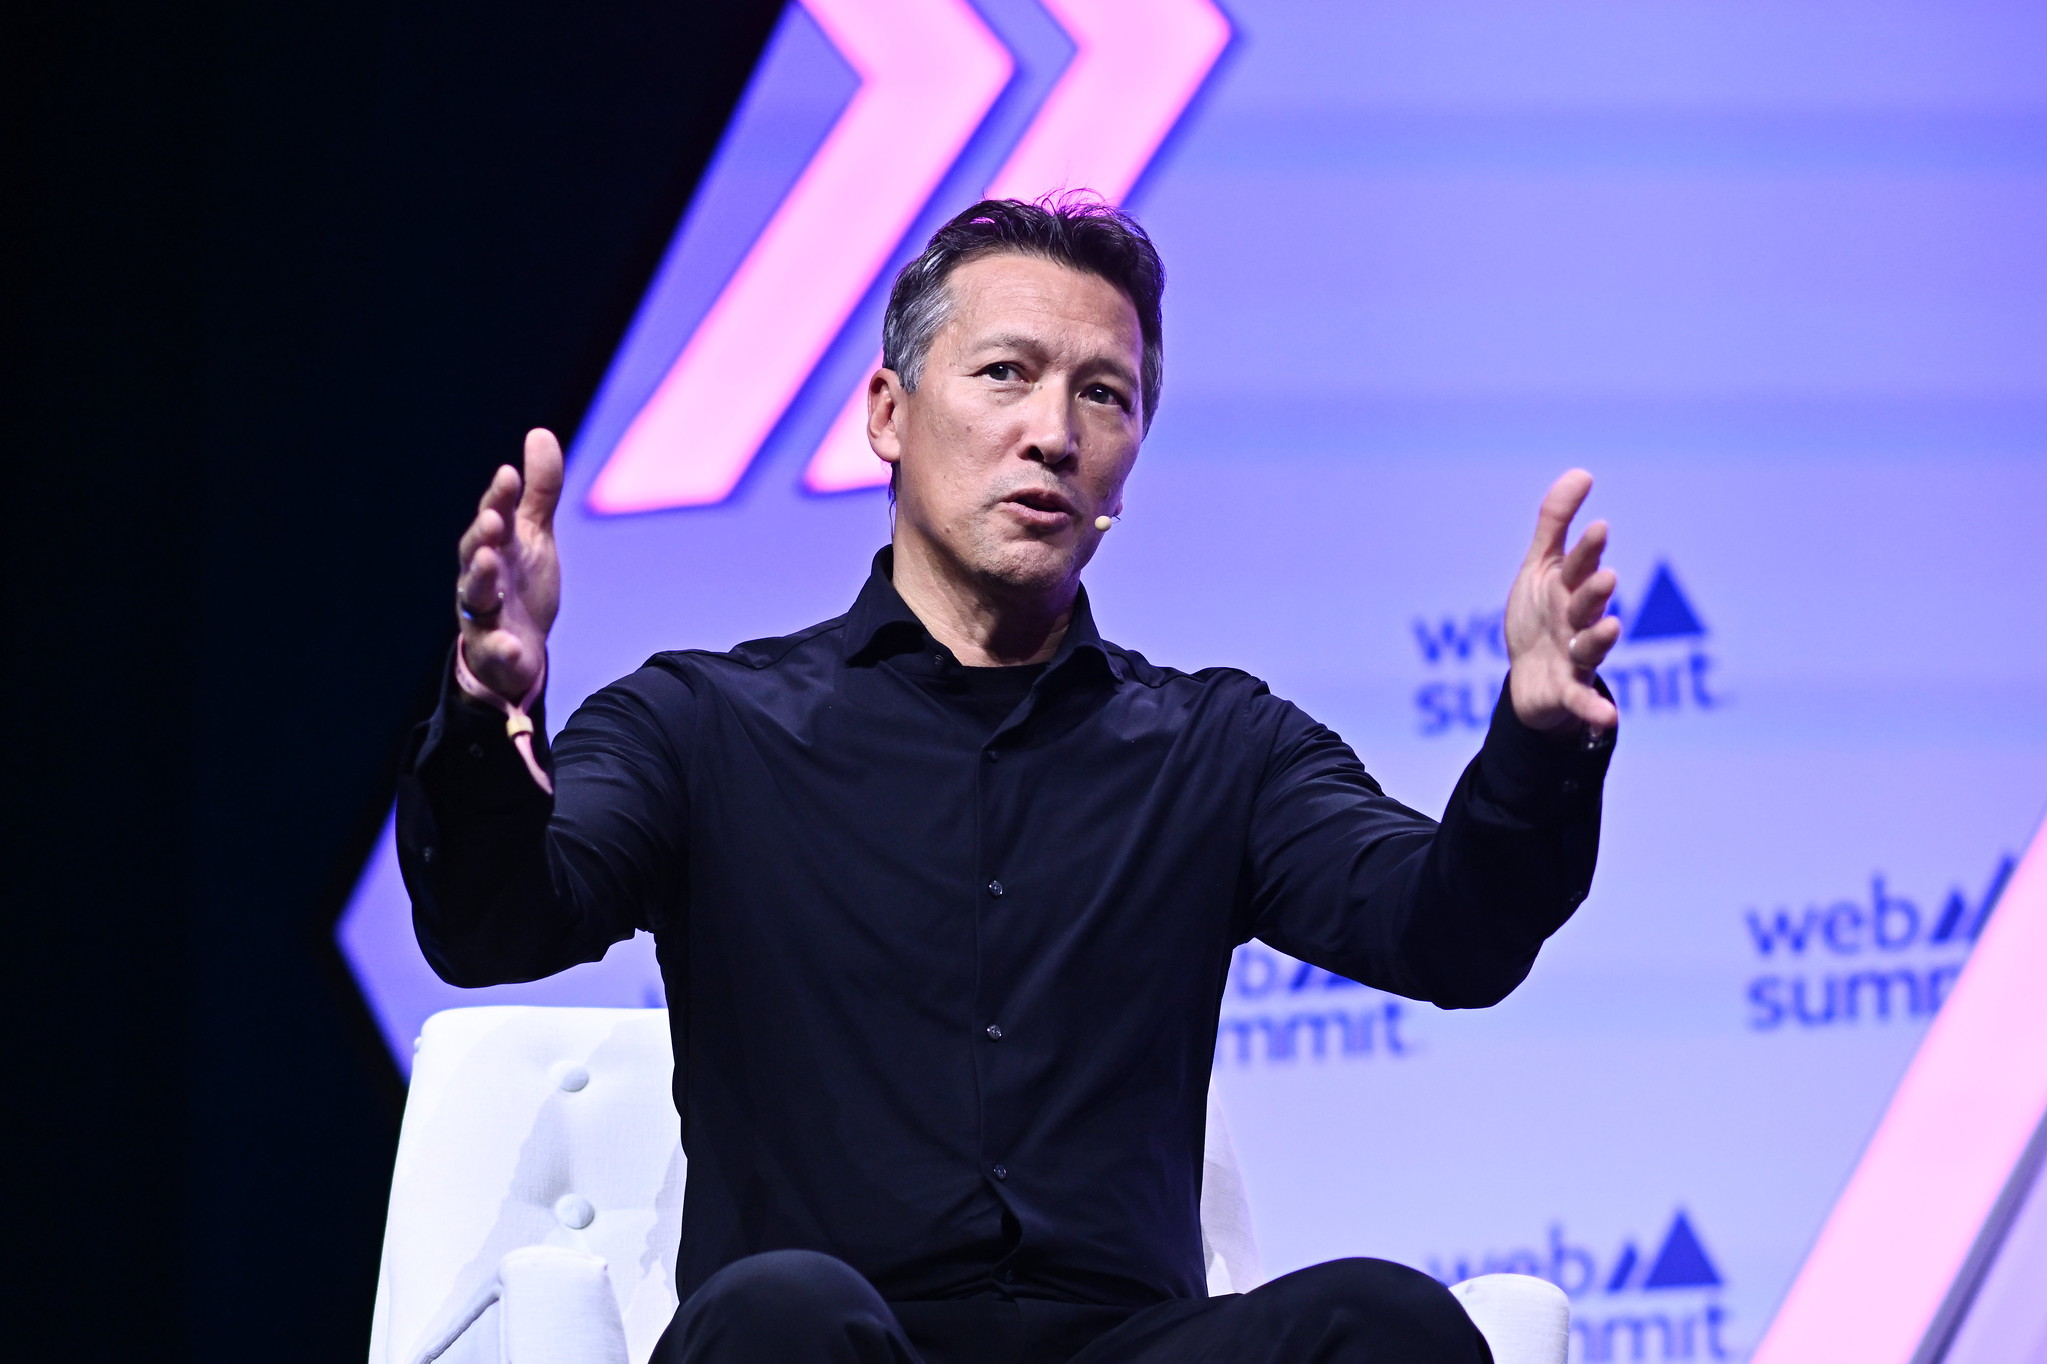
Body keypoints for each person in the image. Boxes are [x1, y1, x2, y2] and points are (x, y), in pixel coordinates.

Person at [398, 196, 1621, 1364]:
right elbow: (495, 918)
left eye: (1106, 394)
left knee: (1381, 1319)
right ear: (888, 410)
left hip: (1127, 1342)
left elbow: (1449, 933)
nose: (1055, 431)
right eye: (1005, 373)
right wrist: (487, 713)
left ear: (1129, 465)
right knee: (781, 1310)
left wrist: (1537, 740)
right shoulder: (704, 723)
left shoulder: (1217, 746)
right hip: (821, 1341)